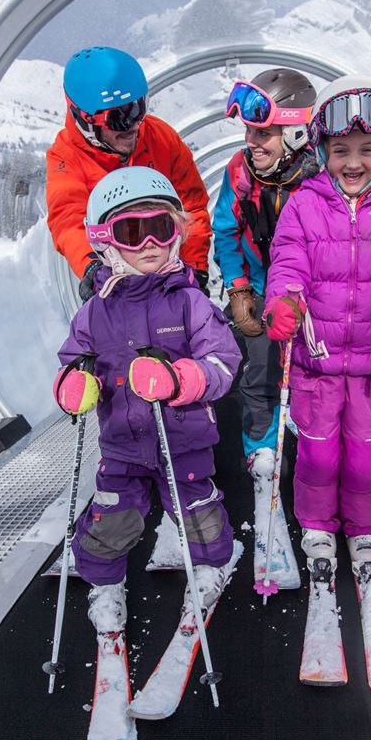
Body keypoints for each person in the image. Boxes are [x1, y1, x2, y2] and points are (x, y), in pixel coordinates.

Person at [263, 75, 371, 584]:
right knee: (317, 449)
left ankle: (366, 526)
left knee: (366, 452)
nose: (354, 162)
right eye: (341, 150)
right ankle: (317, 523)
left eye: (367, 148)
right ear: (323, 151)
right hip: (315, 360)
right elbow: (288, 259)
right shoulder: (304, 202)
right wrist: (284, 300)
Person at [52, 165, 242, 636]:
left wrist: (181, 380)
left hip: (185, 443)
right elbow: (74, 357)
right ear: (105, 241)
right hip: (121, 445)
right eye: (131, 232)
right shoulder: (94, 313)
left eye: (160, 228)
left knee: (200, 515)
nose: (149, 244)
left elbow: (223, 360)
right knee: (111, 520)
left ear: (176, 232)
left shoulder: (190, 302)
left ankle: (210, 567)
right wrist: (73, 385)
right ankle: (104, 585)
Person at [212, 67, 318, 587]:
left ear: (296, 133)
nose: (251, 143)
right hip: (257, 289)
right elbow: (226, 232)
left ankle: (312, 440)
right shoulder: (238, 175)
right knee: (257, 368)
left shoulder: (321, 181)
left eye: (263, 133)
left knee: (312, 373)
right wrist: (237, 289)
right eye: (249, 133)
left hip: (311, 298)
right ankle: (260, 451)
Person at [46, 46, 212, 301]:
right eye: (119, 119)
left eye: (138, 108)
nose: (135, 124)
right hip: (118, 278)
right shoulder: (67, 158)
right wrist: (91, 266)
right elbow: (68, 220)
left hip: (168, 271)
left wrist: (195, 269)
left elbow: (191, 207)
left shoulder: (160, 138)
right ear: (84, 119)